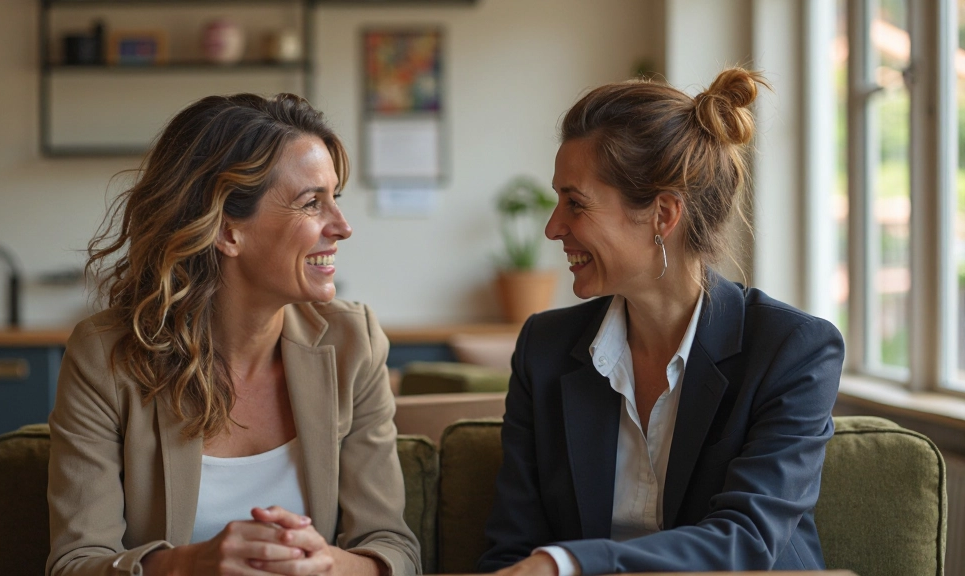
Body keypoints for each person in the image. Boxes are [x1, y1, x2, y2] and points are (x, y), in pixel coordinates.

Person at [477, 68, 844, 575]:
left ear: (662, 215)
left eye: (576, 203)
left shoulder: (792, 349)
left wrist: (569, 564)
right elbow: (510, 548)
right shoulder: (544, 347)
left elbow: (746, 542)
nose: (553, 227)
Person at [46, 93, 420, 576]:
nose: (342, 227)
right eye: (312, 203)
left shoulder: (354, 343)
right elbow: (75, 563)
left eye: (336, 199)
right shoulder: (105, 357)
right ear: (226, 231)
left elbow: (394, 550)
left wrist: (327, 563)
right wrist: (189, 564)